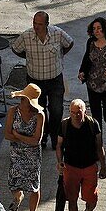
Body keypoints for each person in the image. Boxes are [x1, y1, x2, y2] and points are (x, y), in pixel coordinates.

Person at [11, 11, 74, 148]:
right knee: (39, 111)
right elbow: (15, 48)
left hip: (55, 80)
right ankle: (42, 136)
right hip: (35, 81)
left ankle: (56, 139)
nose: (36, 26)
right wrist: (28, 57)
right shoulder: (27, 36)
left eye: (39, 24)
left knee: (56, 110)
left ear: (46, 24)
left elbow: (69, 43)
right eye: (34, 23)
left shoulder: (57, 33)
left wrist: (60, 55)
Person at [57, 99, 106, 211]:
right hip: (70, 168)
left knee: (91, 199)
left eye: (78, 113)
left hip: (89, 167)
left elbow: (99, 147)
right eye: (72, 112)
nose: (75, 116)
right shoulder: (64, 125)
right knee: (72, 200)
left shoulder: (93, 124)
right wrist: (59, 161)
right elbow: (59, 145)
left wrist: (103, 166)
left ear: (85, 111)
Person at [4, 85, 44, 211]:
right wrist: (24, 139)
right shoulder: (13, 111)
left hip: (33, 156)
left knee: (34, 186)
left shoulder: (39, 115)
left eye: (25, 99)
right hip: (16, 153)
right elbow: (7, 134)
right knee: (13, 182)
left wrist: (18, 135)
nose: (22, 101)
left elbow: (36, 140)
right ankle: (18, 196)